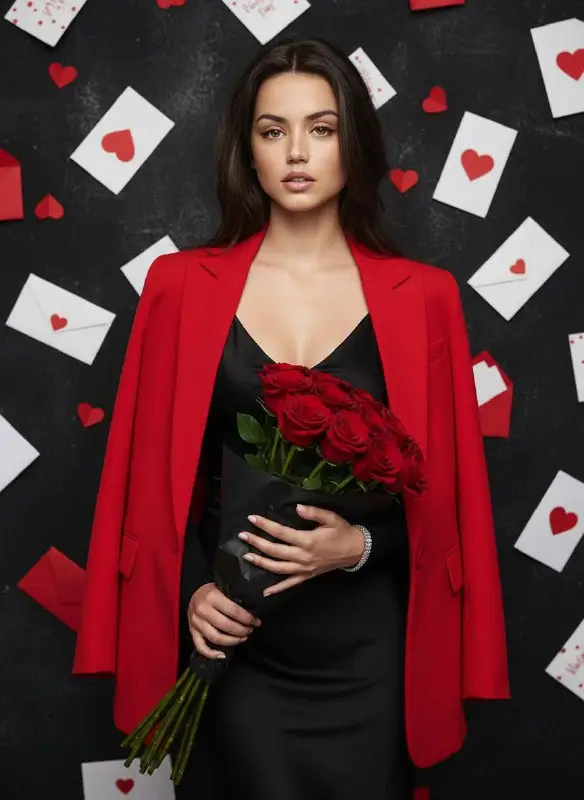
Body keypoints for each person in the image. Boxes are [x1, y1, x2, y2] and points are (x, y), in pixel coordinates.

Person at [72, 38, 511, 800]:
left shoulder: (427, 295)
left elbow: (453, 503)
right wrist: (190, 595)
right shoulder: (178, 288)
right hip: (238, 642)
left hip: (369, 648)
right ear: (247, 148)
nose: (297, 152)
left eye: (323, 127)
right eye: (273, 131)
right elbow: (146, 482)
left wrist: (359, 544)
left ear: (355, 144)